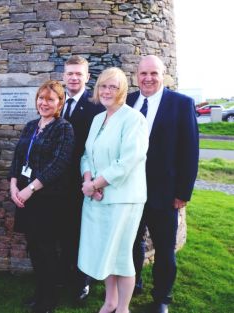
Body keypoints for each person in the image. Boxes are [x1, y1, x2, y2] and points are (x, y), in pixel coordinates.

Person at [129, 55, 199, 313]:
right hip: (130, 192)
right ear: (136, 76)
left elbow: (190, 151)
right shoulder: (128, 102)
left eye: (154, 73)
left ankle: (161, 299)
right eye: (143, 73)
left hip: (165, 193)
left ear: (163, 75)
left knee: (164, 249)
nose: (148, 78)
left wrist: (183, 192)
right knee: (131, 243)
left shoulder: (181, 104)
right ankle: (133, 283)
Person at [78, 67, 149, 313]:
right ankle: (110, 302)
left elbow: (128, 161)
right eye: (103, 86)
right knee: (105, 253)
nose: (107, 91)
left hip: (123, 199)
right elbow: (88, 154)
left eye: (113, 87)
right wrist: (88, 180)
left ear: (123, 91)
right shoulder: (99, 118)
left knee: (121, 256)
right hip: (97, 198)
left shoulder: (134, 119)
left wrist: (96, 184)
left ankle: (123, 308)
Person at [10, 80, 75, 313]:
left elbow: (58, 164)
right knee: (34, 247)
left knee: (47, 249)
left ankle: (49, 299)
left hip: (48, 200)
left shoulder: (64, 128)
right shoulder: (30, 126)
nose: (44, 103)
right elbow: (18, 157)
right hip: (25, 197)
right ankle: (39, 293)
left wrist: (30, 189)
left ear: (59, 103)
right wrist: (14, 184)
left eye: (50, 99)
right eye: (41, 98)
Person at [58, 55, 104, 301]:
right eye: (69, 73)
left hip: (83, 181)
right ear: (63, 76)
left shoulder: (96, 105)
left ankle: (81, 282)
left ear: (87, 77)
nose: (73, 78)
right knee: (63, 232)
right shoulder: (57, 102)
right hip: (57, 181)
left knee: (82, 233)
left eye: (79, 74)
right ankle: (63, 277)